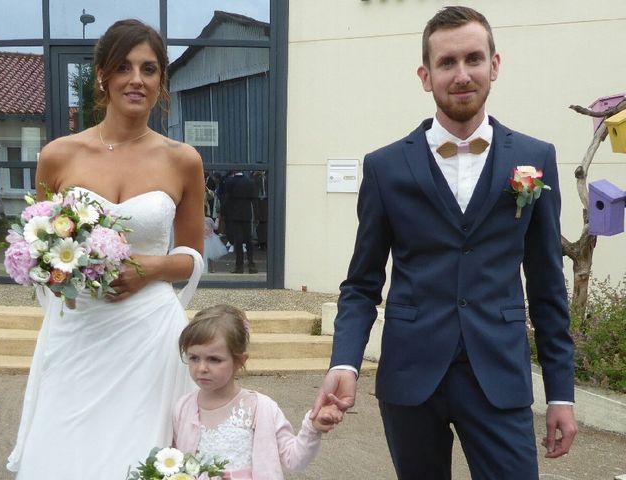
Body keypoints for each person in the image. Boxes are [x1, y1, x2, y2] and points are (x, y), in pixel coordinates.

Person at [311, 6, 577, 479]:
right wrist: (345, 362)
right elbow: (361, 283)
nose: (461, 74)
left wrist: (560, 392)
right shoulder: (386, 167)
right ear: (425, 75)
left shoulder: (536, 158)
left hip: (499, 374)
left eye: (474, 59)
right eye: (446, 63)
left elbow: (547, 285)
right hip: (411, 375)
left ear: (494, 65)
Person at [7, 19, 205, 479]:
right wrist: (56, 275)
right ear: (102, 76)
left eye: (149, 69)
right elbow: (37, 248)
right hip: (78, 329)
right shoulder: (59, 155)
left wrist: (148, 269)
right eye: (124, 67)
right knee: (66, 448)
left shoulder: (183, 160)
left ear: (162, 82)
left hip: (149, 332)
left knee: (139, 453)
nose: (136, 79)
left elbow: (192, 257)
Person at [173, 304, 342, 479]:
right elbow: (173, 463)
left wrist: (313, 427)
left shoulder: (261, 409)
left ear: (240, 360)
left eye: (214, 359)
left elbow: (295, 459)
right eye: (193, 358)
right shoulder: (183, 408)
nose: (201, 368)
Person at [223, 171, 258, 274]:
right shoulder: (250, 182)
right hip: (246, 214)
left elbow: (226, 197)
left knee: (238, 241)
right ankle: (251, 264)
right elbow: (253, 199)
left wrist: (225, 213)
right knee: (248, 240)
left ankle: (239, 266)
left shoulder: (230, 182)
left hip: (234, 214)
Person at [204, 207, 227, 273]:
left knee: (203, 254)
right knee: (212, 254)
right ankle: (213, 269)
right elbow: (215, 227)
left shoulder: (197, 219)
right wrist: (217, 220)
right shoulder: (209, 219)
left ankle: (203, 267)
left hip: (202, 239)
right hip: (211, 238)